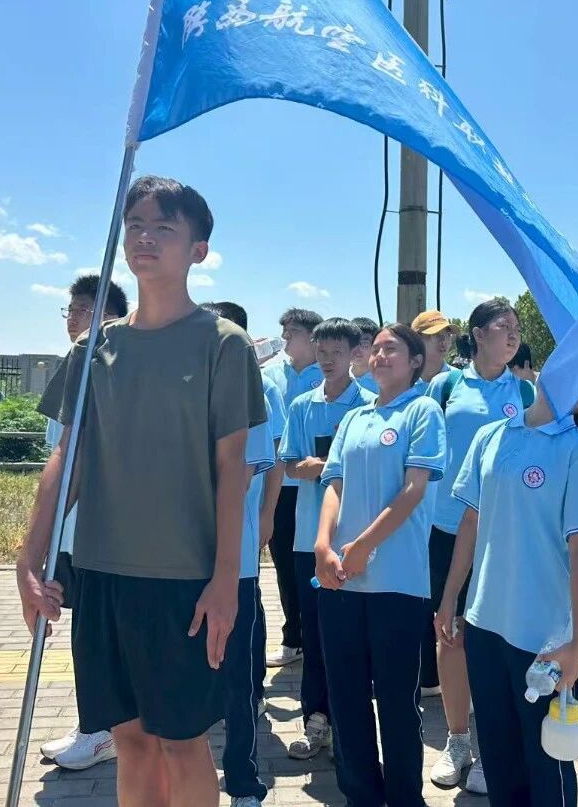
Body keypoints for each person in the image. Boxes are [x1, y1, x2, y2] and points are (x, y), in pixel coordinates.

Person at [18, 175, 267, 807]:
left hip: (184, 580)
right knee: (129, 739)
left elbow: (232, 470)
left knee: (181, 742)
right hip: (101, 572)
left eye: (164, 228)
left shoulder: (223, 344)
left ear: (198, 250)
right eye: (136, 226)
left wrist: (226, 580)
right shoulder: (94, 348)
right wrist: (29, 559)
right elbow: (67, 459)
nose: (146, 238)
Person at [435, 369, 578, 807]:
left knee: (546, 759)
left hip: (543, 634)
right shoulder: (492, 435)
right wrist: (451, 596)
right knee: (498, 751)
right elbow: (470, 521)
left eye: (573, 371)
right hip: (485, 622)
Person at [315, 323, 446, 807]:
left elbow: (413, 490)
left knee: (396, 701)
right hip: (341, 579)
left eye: (393, 349)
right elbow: (334, 483)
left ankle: (405, 796)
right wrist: (323, 544)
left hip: (397, 581)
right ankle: (361, 795)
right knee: (346, 698)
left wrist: (365, 545)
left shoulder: (422, 411)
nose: (381, 355)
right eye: (376, 349)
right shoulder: (355, 417)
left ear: (415, 361)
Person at [425, 298, 531, 794]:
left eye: (516, 328)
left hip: (504, 535)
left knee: (494, 641)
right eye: (502, 326)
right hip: (447, 528)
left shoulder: (526, 392)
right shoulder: (445, 386)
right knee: (450, 634)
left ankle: (492, 748)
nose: (512, 335)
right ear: (478, 334)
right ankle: (457, 739)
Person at [38, 274, 129, 771]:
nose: (72, 318)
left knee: (98, 636)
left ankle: (102, 730)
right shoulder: (74, 365)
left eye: (82, 310)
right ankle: (92, 723)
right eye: (69, 310)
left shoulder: (114, 371)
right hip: (70, 531)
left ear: (109, 318)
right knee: (86, 632)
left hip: (102, 534)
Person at [278, 318, 375, 760]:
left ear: (355, 354)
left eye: (337, 351)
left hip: (356, 540)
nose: (328, 359)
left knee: (353, 637)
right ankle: (315, 720)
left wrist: (331, 466)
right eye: (322, 351)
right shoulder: (302, 406)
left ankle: (350, 726)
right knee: (315, 634)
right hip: (309, 540)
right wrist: (325, 466)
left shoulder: (370, 406)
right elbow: (290, 465)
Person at [203, 301, 286, 807]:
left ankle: (243, 779)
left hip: (235, 559)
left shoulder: (254, 390)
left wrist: (267, 516)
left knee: (239, 676)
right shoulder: (185, 387)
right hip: (179, 559)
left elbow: (264, 465)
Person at [262, 308, 325, 668]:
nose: (285, 336)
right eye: (284, 329)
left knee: (318, 561)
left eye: (294, 330)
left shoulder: (331, 375)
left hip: (317, 484)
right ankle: (293, 637)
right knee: (285, 563)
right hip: (280, 485)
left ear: (313, 336)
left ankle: (320, 635)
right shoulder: (270, 375)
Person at [407, 308, 457, 694]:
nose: (442, 341)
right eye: (433, 334)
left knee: (448, 593)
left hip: (448, 510)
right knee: (416, 591)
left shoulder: (458, 384)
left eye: (447, 334)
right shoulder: (398, 385)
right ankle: (424, 674)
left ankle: (451, 674)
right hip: (410, 509)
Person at [411, 310, 458, 385]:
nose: (443, 341)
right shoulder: (403, 383)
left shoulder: (459, 380)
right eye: (436, 334)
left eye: (447, 335)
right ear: (417, 339)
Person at [351, 317, 381, 395]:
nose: (357, 349)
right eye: (353, 343)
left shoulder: (384, 381)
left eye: (364, 344)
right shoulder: (338, 377)